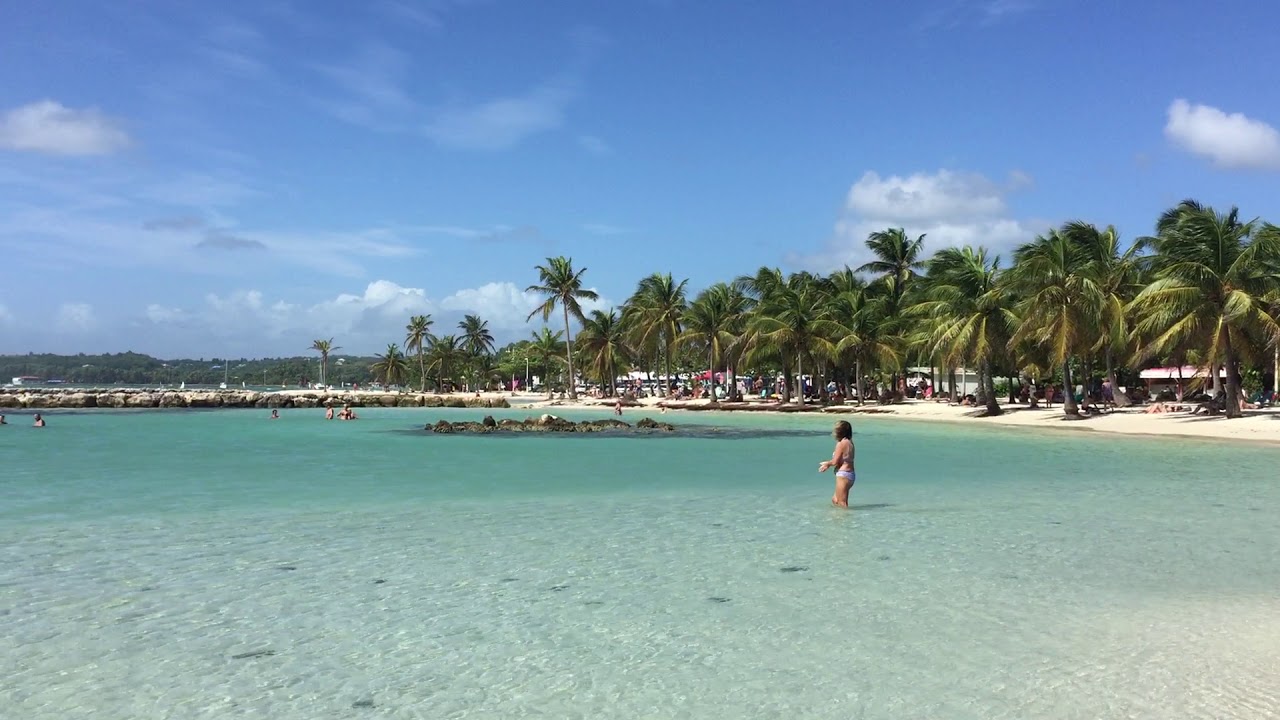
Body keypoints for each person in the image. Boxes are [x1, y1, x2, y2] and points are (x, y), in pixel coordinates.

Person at [818, 420, 856, 508]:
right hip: (850, 474)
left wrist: (827, 464)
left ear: (840, 432)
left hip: (844, 475)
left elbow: (835, 461)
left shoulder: (841, 443)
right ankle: (837, 518)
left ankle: (844, 519)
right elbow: (844, 459)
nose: (834, 433)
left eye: (835, 430)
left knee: (842, 503)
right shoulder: (850, 442)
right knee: (835, 499)